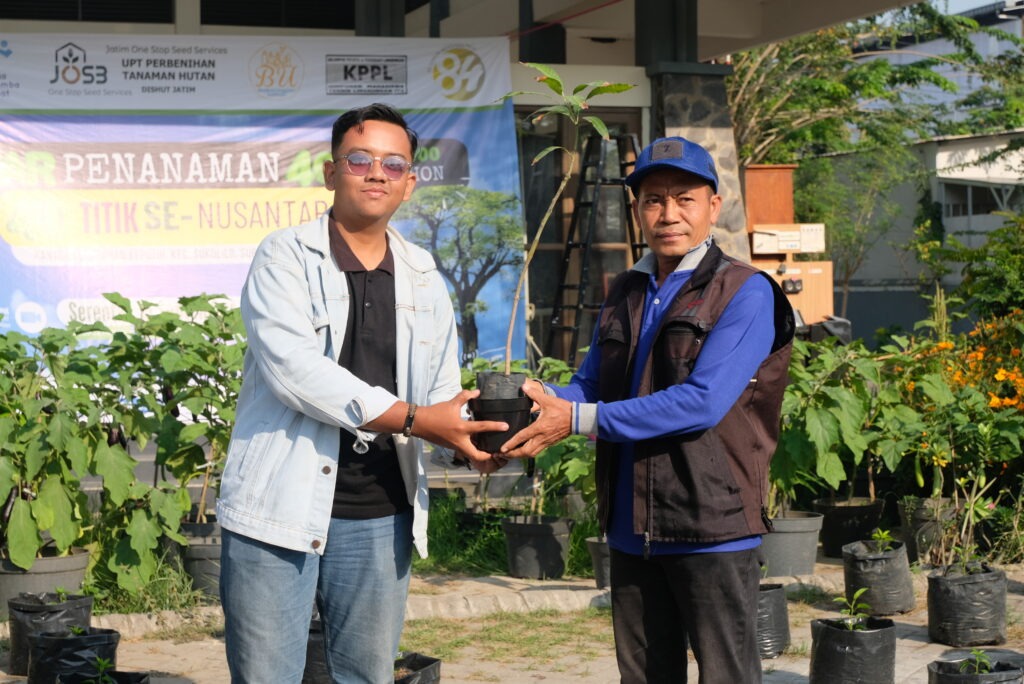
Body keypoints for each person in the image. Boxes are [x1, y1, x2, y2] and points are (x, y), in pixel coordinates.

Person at [216, 103, 507, 684]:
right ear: (331, 173)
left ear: (410, 183)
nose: (377, 173)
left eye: (393, 164)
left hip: (379, 513)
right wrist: (419, 419)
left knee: (365, 677)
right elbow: (296, 371)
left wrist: (469, 438)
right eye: (360, 159)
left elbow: (440, 386)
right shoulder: (285, 256)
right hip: (278, 507)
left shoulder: (424, 273)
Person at [502, 136, 795, 683]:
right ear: (637, 210)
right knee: (643, 676)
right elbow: (592, 386)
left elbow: (702, 402)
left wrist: (579, 420)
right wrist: (540, 401)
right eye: (654, 200)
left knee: (725, 674)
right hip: (633, 524)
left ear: (714, 204)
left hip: (712, 522)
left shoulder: (745, 292)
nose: (669, 214)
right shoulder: (626, 290)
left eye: (684, 199)